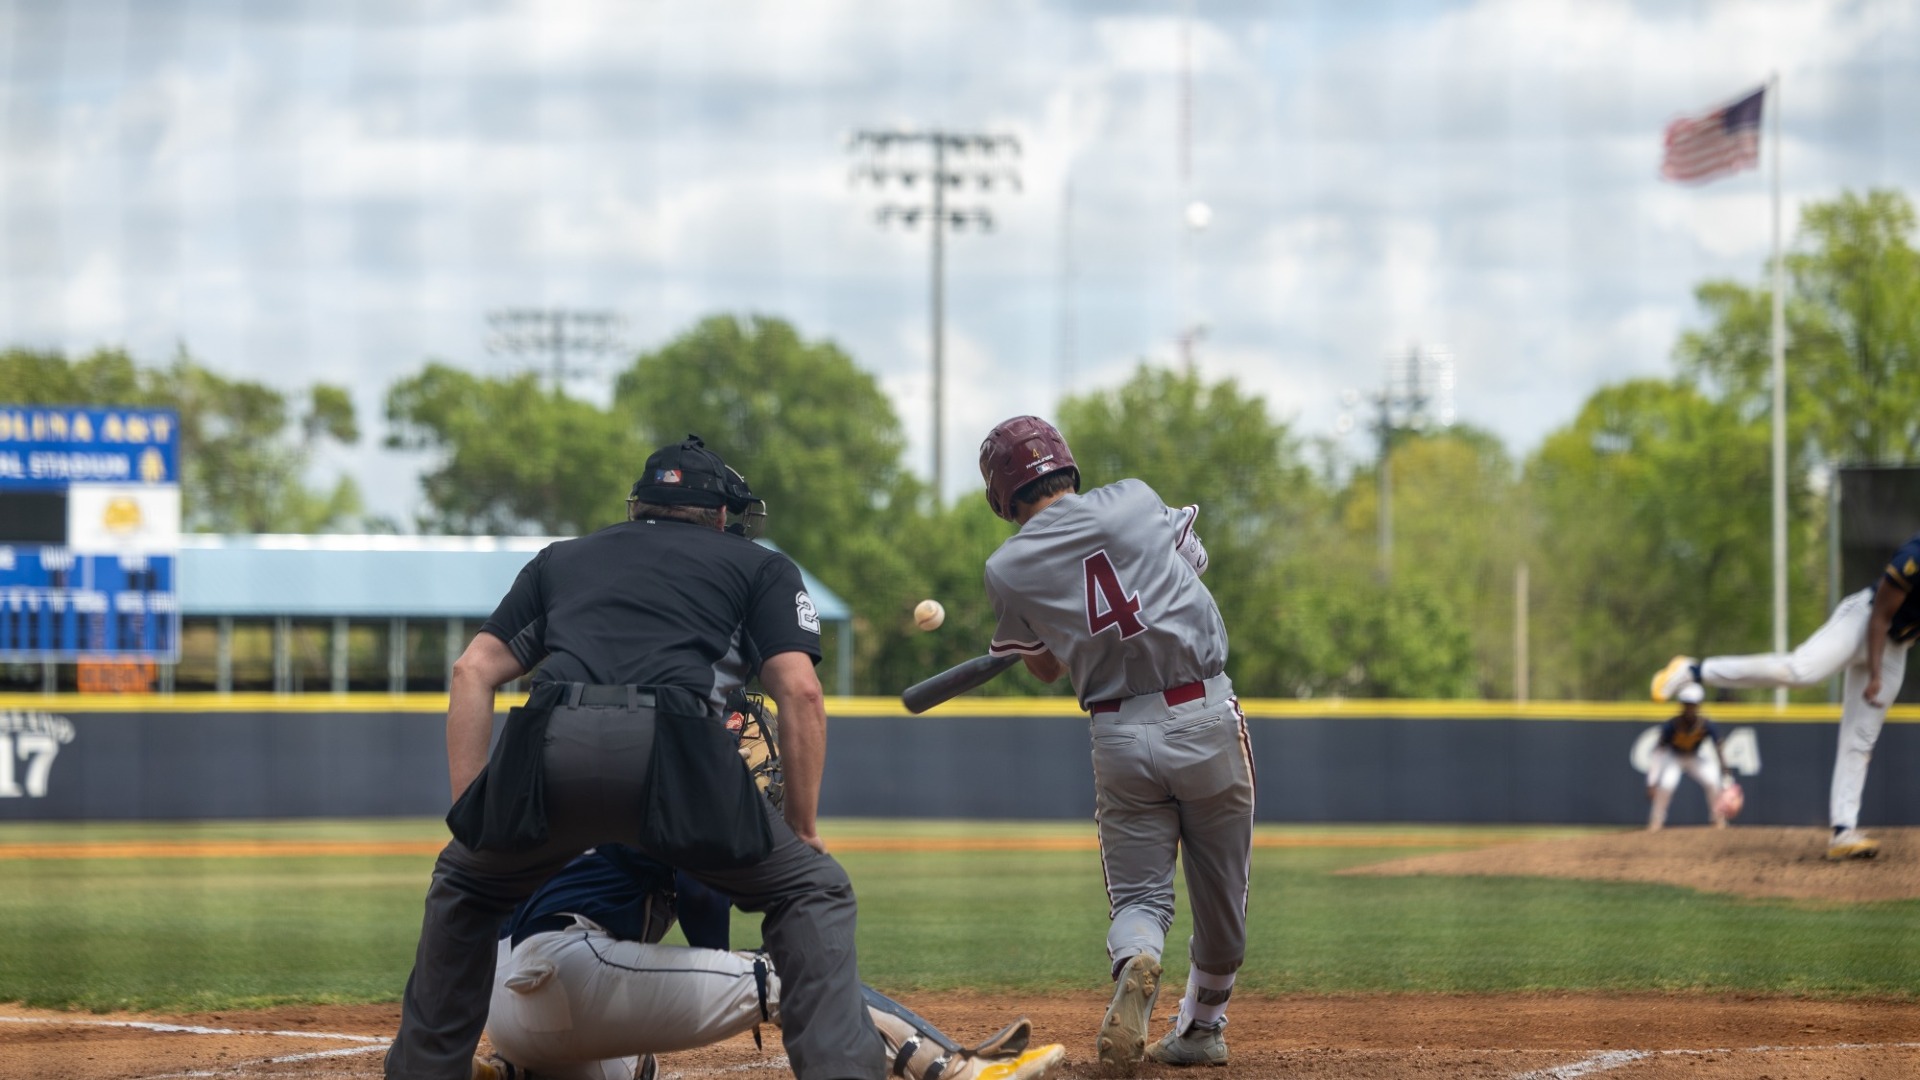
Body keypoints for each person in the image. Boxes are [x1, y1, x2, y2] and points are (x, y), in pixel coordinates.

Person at [386, 434, 882, 1080]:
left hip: (549, 738)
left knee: (464, 885)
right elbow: (802, 692)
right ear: (723, 517)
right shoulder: (757, 567)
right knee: (814, 889)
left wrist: (476, 826)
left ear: (638, 507)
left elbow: (471, 672)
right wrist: (806, 830)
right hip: (676, 746)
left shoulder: (561, 560)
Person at [976, 416, 1255, 1073]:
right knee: (1221, 888)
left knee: (1139, 898)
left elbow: (1045, 667)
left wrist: (1047, 633)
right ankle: (1203, 1028)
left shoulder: (1007, 569)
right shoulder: (1132, 496)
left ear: (1002, 496)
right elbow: (1193, 564)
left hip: (1119, 731)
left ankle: (1137, 958)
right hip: (1205, 712)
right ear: (1067, 467)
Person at [470, 844, 1066, 1080]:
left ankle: (515, 1073)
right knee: (786, 976)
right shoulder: (670, 788)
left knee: (633, 1067)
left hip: (512, 1011)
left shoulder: (583, 793)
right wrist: (733, 964)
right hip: (570, 968)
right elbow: (701, 894)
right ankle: (957, 1070)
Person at [1652, 528, 1920, 861]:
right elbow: (1880, 616)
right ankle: (1693, 670)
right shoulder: (1915, 555)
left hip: (1898, 645)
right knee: (1799, 672)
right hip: (1865, 621)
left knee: (1861, 738)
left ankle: (1843, 831)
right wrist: (1876, 674)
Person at [1644, 684, 1734, 831]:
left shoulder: (1706, 724)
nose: (1689, 709)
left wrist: (1724, 768)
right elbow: (1658, 752)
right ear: (1682, 705)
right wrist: (1652, 782)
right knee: (1666, 785)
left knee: (1713, 782)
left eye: (1692, 705)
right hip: (1674, 757)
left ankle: (1718, 821)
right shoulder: (1671, 726)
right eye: (1687, 704)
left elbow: (1718, 747)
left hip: (1695, 757)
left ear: (1698, 705)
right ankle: (1655, 823)